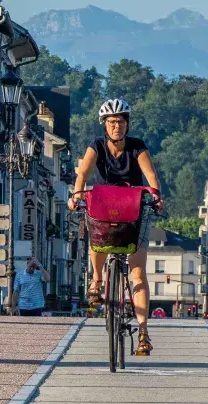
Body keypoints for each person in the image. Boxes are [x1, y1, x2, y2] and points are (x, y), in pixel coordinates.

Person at [68, 98, 163, 356]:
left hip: (133, 210)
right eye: (111, 122)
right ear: (104, 125)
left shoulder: (136, 147)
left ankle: (143, 332)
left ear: (127, 124)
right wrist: (76, 195)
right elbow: (82, 175)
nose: (116, 127)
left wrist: (155, 195)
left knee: (138, 274)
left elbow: (151, 175)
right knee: (97, 233)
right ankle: (96, 281)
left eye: (120, 121)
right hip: (105, 208)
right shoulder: (97, 146)